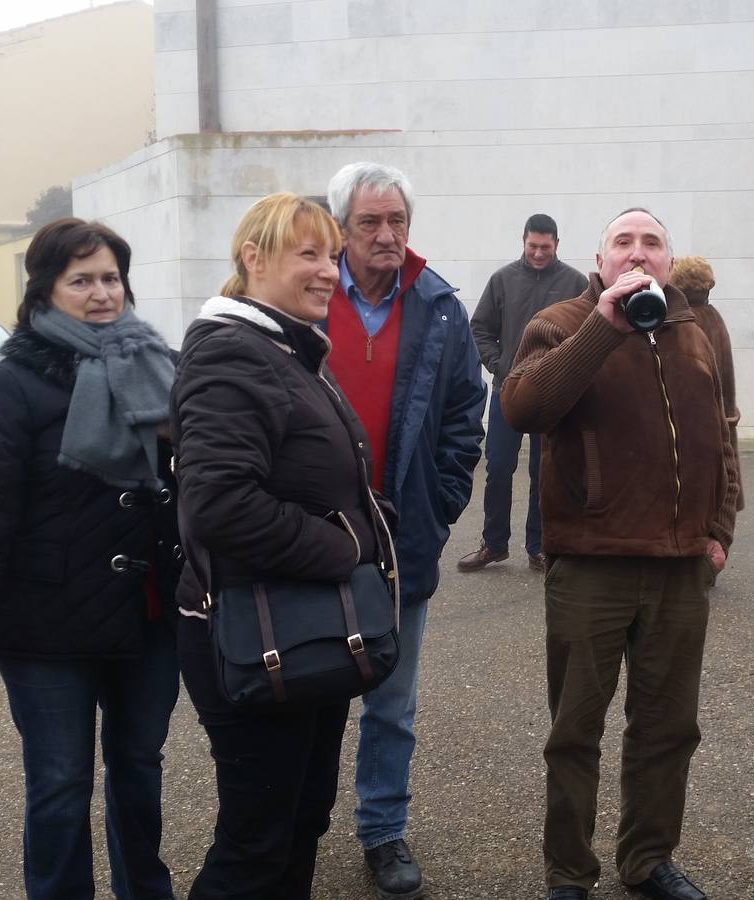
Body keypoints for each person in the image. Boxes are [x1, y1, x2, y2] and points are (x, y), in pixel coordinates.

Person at [0, 218, 181, 900]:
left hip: (147, 615)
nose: (101, 294)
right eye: (82, 280)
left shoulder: (160, 366)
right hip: (45, 626)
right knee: (61, 784)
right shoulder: (12, 385)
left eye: (111, 278)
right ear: (46, 290)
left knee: (139, 771)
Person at [501, 208, 740, 900]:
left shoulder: (699, 326)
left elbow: (724, 430)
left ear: (669, 259)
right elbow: (522, 408)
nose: (639, 254)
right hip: (591, 562)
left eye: (653, 243)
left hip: (680, 566)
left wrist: (719, 528)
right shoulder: (560, 322)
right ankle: (569, 872)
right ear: (600, 260)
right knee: (575, 730)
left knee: (669, 728)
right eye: (623, 243)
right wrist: (602, 328)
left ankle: (647, 859)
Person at [170, 192, 390, 898]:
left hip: (303, 627)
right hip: (254, 631)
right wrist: (344, 549)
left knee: (300, 821)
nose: (330, 270)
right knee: (255, 845)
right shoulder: (233, 354)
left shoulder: (286, 348)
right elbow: (218, 504)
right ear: (253, 259)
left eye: (331, 253)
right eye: (308, 254)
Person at [323, 162, 486, 899]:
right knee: (305, 687)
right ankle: (294, 825)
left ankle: (382, 831)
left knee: (390, 700)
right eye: (370, 223)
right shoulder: (307, 295)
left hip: (398, 539)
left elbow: (463, 418)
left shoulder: (439, 306)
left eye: (397, 222)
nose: (387, 236)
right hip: (308, 536)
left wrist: (439, 505)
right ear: (340, 230)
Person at [459, 213, 588, 573]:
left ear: (557, 245)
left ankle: (540, 546)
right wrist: (498, 365)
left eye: (545, 247)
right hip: (507, 391)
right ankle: (494, 544)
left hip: (553, 396)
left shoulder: (575, 283)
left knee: (543, 472)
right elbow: (479, 328)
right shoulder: (502, 280)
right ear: (523, 242)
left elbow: (587, 333)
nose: (538, 253)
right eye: (533, 246)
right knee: (498, 467)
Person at [665, 255, 743, 514]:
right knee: (717, 496)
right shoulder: (714, 317)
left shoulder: (683, 323)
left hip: (696, 427)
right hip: (722, 418)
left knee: (694, 500)